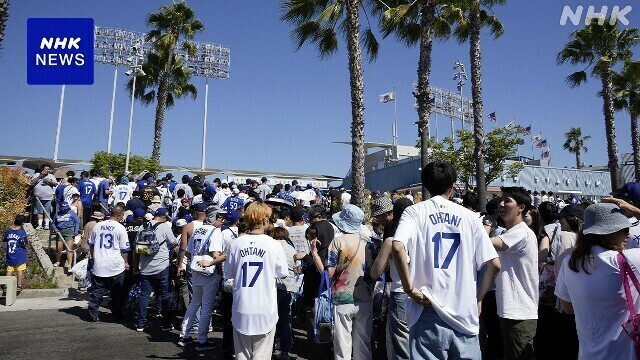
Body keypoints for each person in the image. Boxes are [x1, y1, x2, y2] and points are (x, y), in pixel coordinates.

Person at [392, 161, 500, 360]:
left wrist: (408, 289)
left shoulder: (414, 212)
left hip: (427, 307)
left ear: (425, 185)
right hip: (463, 311)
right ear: (452, 186)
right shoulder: (470, 217)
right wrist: (478, 298)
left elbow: (397, 246)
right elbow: (494, 264)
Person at [555, 201, 640, 359]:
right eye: (624, 229)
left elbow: (567, 308)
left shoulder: (569, 263)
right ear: (609, 233)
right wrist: (634, 210)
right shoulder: (628, 260)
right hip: (625, 354)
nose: (628, 234)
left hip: (588, 354)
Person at [308, 204, 374, 360]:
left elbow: (329, 273)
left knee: (342, 344)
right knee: (363, 344)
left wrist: (314, 254)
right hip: (364, 297)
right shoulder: (368, 243)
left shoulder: (337, 242)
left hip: (342, 298)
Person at [224, 202, 288, 360]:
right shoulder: (274, 245)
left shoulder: (236, 244)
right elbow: (283, 273)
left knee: (242, 355)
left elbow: (229, 273)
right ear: (265, 220)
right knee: (262, 355)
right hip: (265, 308)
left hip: (241, 306)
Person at [490, 186, 539, 359]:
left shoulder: (521, 233)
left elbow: (484, 242)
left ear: (521, 207)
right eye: (501, 200)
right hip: (511, 310)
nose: (501, 204)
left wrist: (486, 225)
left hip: (519, 312)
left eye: (507, 201)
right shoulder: (512, 232)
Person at [370, 198, 413, 360]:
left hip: (400, 292)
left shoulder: (391, 239)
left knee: (401, 346)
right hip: (424, 292)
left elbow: (375, 272)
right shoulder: (423, 233)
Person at [178, 205, 223, 351]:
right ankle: (202, 340)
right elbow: (216, 255)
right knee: (207, 306)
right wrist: (223, 261)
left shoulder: (197, 230)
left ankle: (184, 335)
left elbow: (188, 252)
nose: (221, 220)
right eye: (219, 216)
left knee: (194, 302)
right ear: (213, 217)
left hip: (195, 269)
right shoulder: (215, 231)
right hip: (208, 271)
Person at [134, 208, 177, 332]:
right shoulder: (164, 227)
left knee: (144, 296)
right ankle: (165, 323)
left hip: (146, 267)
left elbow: (136, 249)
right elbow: (174, 242)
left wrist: (137, 266)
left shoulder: (142, 227)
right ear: (163, 217)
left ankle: (141, 324)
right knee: (164, 294)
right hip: (162, 266)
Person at [87, 205, 130, 322]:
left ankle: (93, 314)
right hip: (115, 264)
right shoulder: (120, 228)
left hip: (99, 262)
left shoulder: (97, 226)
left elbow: (90, 245)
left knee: (96, 291)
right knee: (116, 292)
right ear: (119, 215)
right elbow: (125, 249)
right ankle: (116, 315)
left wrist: (93, 258)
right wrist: (126, 262)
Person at [270, 227, 300, 360]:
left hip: (272, 288)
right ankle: (285, 353)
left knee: (270, 321)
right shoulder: (291, 249)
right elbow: (297, 269)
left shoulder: (270, 247)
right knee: (285, 321)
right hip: (288, 288)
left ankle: (268, 350)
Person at [51, 201, 80, 270]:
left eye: (66, 208)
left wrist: (76, 231)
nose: (64, 210)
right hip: (60, 231)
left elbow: (77, 222)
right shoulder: (57, 214)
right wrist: (55, 229)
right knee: (59, 248)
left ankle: (69, 265)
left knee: (69, 248)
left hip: (69, 231)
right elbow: (53, 223)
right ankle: (58, 261)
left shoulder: (72, 213)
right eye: (63, 208)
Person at [4, 215, 29, 291]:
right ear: (22, 223)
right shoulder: (22, 233)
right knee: (20, 270)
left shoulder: (8, 231)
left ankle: (6, 285)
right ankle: (19, 285)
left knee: (9, 270)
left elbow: (5, 240)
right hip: (20, 254)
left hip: (10, 254)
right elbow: (25, 243)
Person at [30, 163, 57, 230]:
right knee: (39, 211)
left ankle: (46, 225)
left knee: (47, 211)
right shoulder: (36, 175)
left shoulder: (51, 176)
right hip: (38, 197)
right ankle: (39, 225)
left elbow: (55, 184)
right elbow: (32, 182)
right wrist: (41, 176)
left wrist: (49, 181)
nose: (47, 170)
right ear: (42, 169)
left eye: (48, 169)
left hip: (48, 197)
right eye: (46, 169)